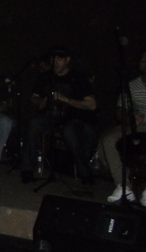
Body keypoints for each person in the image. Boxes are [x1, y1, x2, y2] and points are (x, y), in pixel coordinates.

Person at [99, 49, 146, 209]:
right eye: (144, 59)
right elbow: (119, 110)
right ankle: (123, 186)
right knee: (108, 139)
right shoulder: (132, 85)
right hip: (139, 126)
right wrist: (129, 118)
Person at [21, 46, 97, 184]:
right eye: (53, 58)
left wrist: (66, 99)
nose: (55, 62)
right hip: (51, 115)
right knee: (34, 124)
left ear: (67, 60)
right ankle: (27, 169)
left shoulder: (78, 78)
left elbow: (92, 104)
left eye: (60, 59)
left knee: (69, 131)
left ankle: (85, 172)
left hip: (73, 117)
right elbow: (34, 97)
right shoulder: (45, 76)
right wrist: (41, 101)